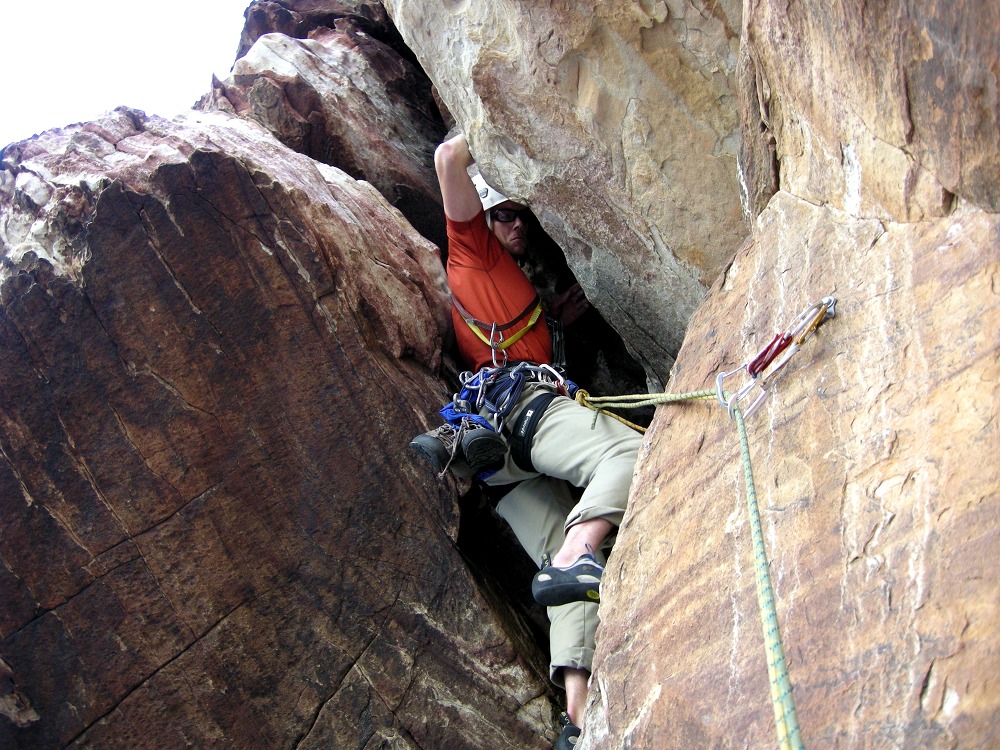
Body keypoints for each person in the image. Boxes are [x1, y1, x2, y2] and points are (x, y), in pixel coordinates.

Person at [410, 133, 643, 750]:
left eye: (522, 216)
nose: (516, 225)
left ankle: (577, 715)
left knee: (570, 578)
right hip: (520, 412)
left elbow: (519, 335)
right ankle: (577, 550)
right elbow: (446, 161)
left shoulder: (514, 295)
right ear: (484, 218)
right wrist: (483, 122)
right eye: (503, 214)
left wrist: (558, 324)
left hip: (497, 465)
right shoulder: (474, 253)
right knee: (629, 456)